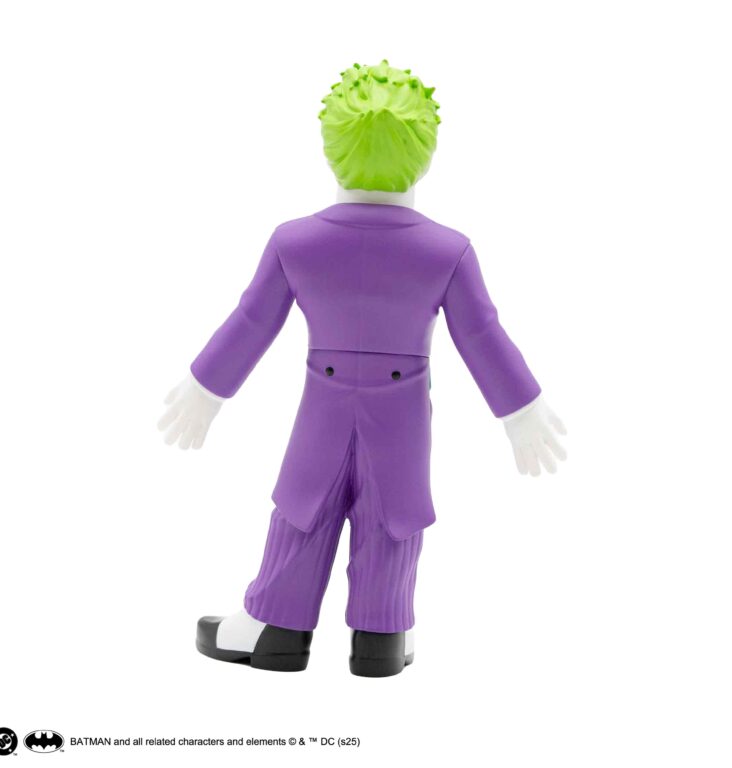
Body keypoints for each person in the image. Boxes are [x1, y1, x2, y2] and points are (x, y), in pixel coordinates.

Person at [158, 59, 567, 677]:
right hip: (402, 418)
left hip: (321, 410)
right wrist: (522, 410)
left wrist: (204, 388)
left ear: (330, 147)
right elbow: (482, 336)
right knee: (393, 517)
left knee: (303, 506)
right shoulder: (448, 251)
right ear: (426, 153)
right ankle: (382, 636)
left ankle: (276, 627)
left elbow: (251, 323)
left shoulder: (295, 242)